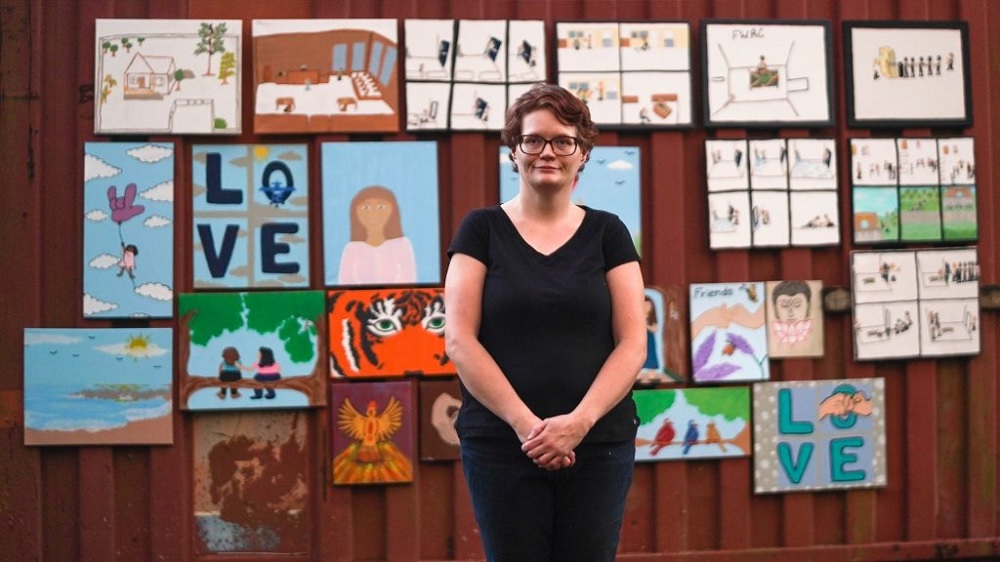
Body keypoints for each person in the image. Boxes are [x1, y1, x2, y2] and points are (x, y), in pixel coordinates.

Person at [444, 83, 646, 562]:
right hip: (501, 444)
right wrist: (528, 428)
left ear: (583, 153)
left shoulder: (608, 233)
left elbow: (633, 342)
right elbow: (459, 339)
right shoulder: (481, 230)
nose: (547, 152)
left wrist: (578, 423)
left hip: (598, 445)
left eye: (563, 141)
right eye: (533, 140)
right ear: (514, 151)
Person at [337, 185, 417, 285]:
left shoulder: (402, 245)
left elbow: (408, 279)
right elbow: (346, 282)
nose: (374, 213)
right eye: (366, 207)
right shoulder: (352, 249)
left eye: (381, 207)